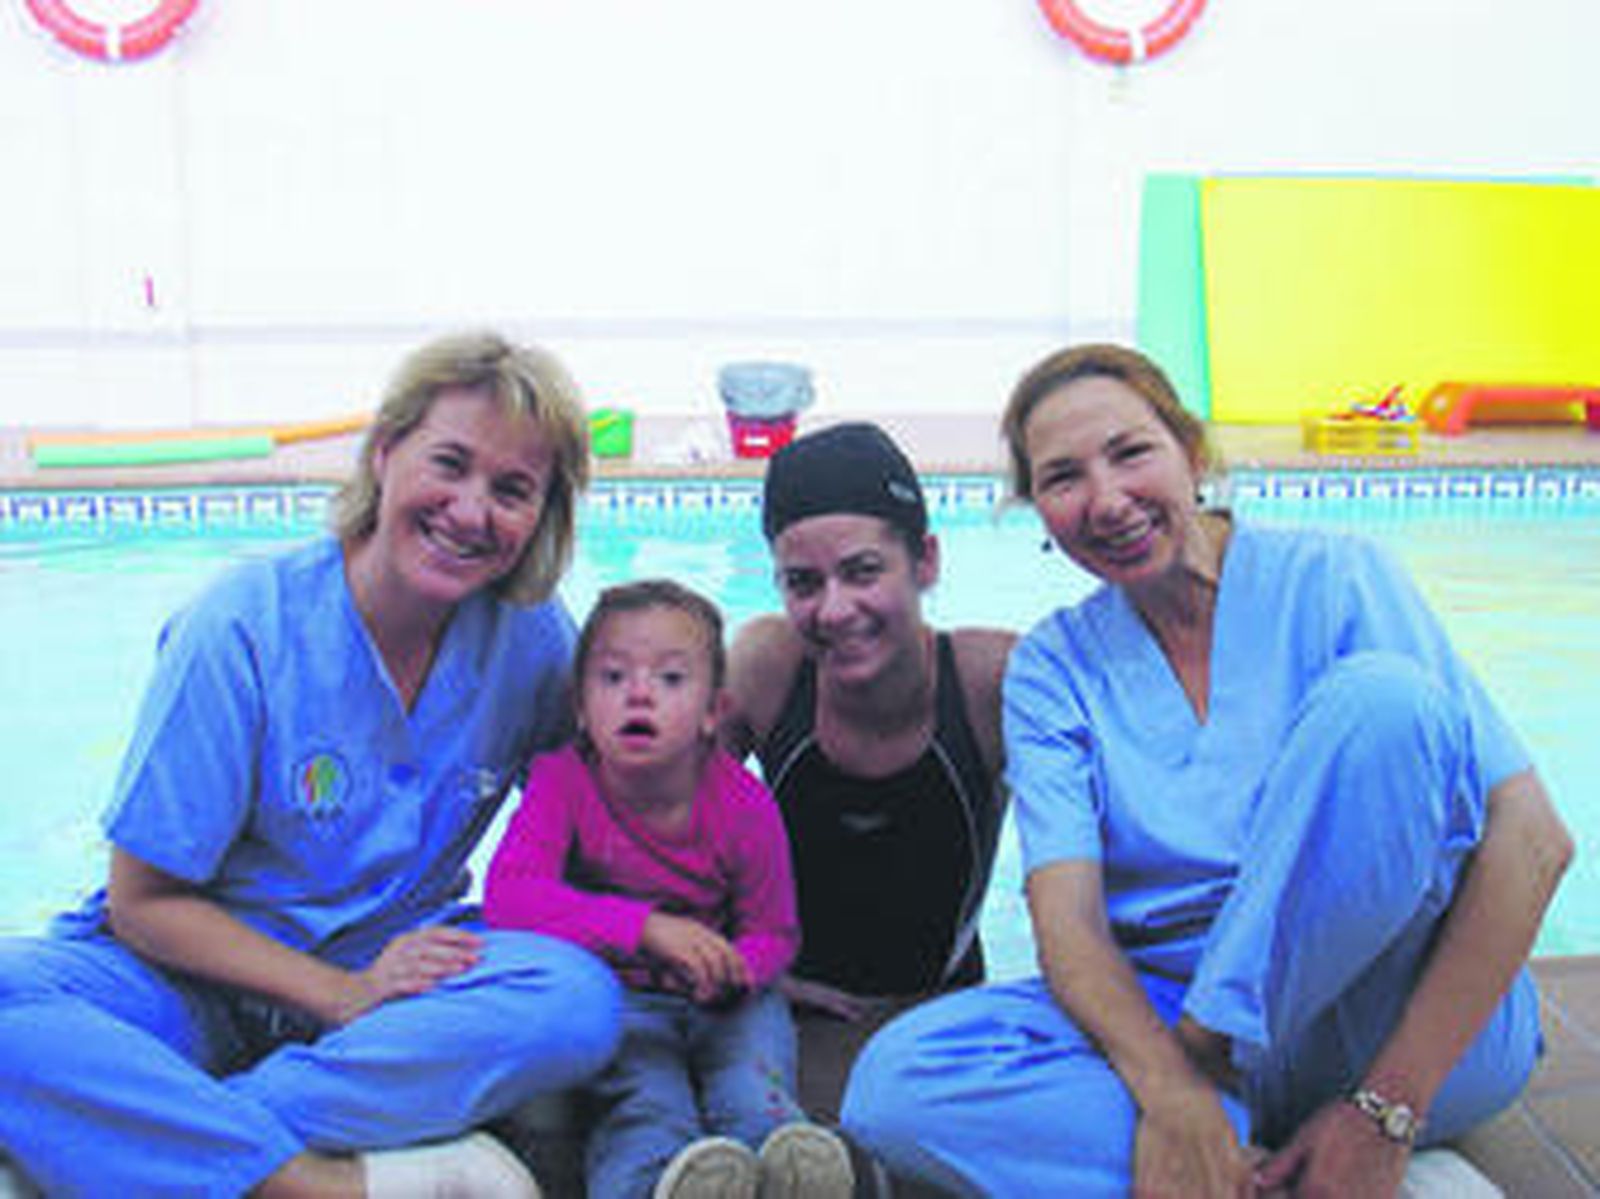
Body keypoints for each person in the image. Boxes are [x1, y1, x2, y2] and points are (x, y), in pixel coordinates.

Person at [839, 343, 1575, 1197]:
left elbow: (1533, 840)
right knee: (895, 1083)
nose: (1107, 500)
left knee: (1386, 705)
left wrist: (1388, 1109)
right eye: (1063, 477)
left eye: (1130, 452)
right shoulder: (1055, 667)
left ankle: (1254, 1119)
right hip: (1167, 1007)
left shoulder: (1338, 579)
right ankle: (1264, 1161)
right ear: (1037, 507)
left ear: (1191, 453)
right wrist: (1168, 1090)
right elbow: (1067, 920)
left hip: (1390, 1014)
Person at [0, 332, 623, 1198]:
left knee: (575, 999)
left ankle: (156, 1136)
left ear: (542, 515)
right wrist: (335, 993)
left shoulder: (532, 643)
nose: (472, 511)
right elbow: (145, 904)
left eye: (513, 489)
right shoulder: (241, 627)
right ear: (384, 451)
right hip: (190, 980)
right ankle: (315, 1184)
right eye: (450, 463)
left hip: (397, 980)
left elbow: (602, 821)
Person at [485, 579, 853, 1199]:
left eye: (671, 680)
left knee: (751, 1085)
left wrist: (738, 968)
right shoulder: (563, 784)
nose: (638, 694)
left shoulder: (742, 804)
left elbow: (775, 930)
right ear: (580, 706)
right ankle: (658, 1185)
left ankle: (787, 1168)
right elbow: (511, 895)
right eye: (612, 677)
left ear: (714, 712)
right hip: (618, 995)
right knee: (644, 1103)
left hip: (730, 998)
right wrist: (643, 929)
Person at [722, 421, 1016, 1124]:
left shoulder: (988, 683)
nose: (833, 609)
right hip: (791, 1010)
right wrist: (740, 961)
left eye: (862, 571)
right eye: (803, 582)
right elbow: (654, 826)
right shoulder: (768, 665)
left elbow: (1099, 853)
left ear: (926, 561)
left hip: (939, 1012)